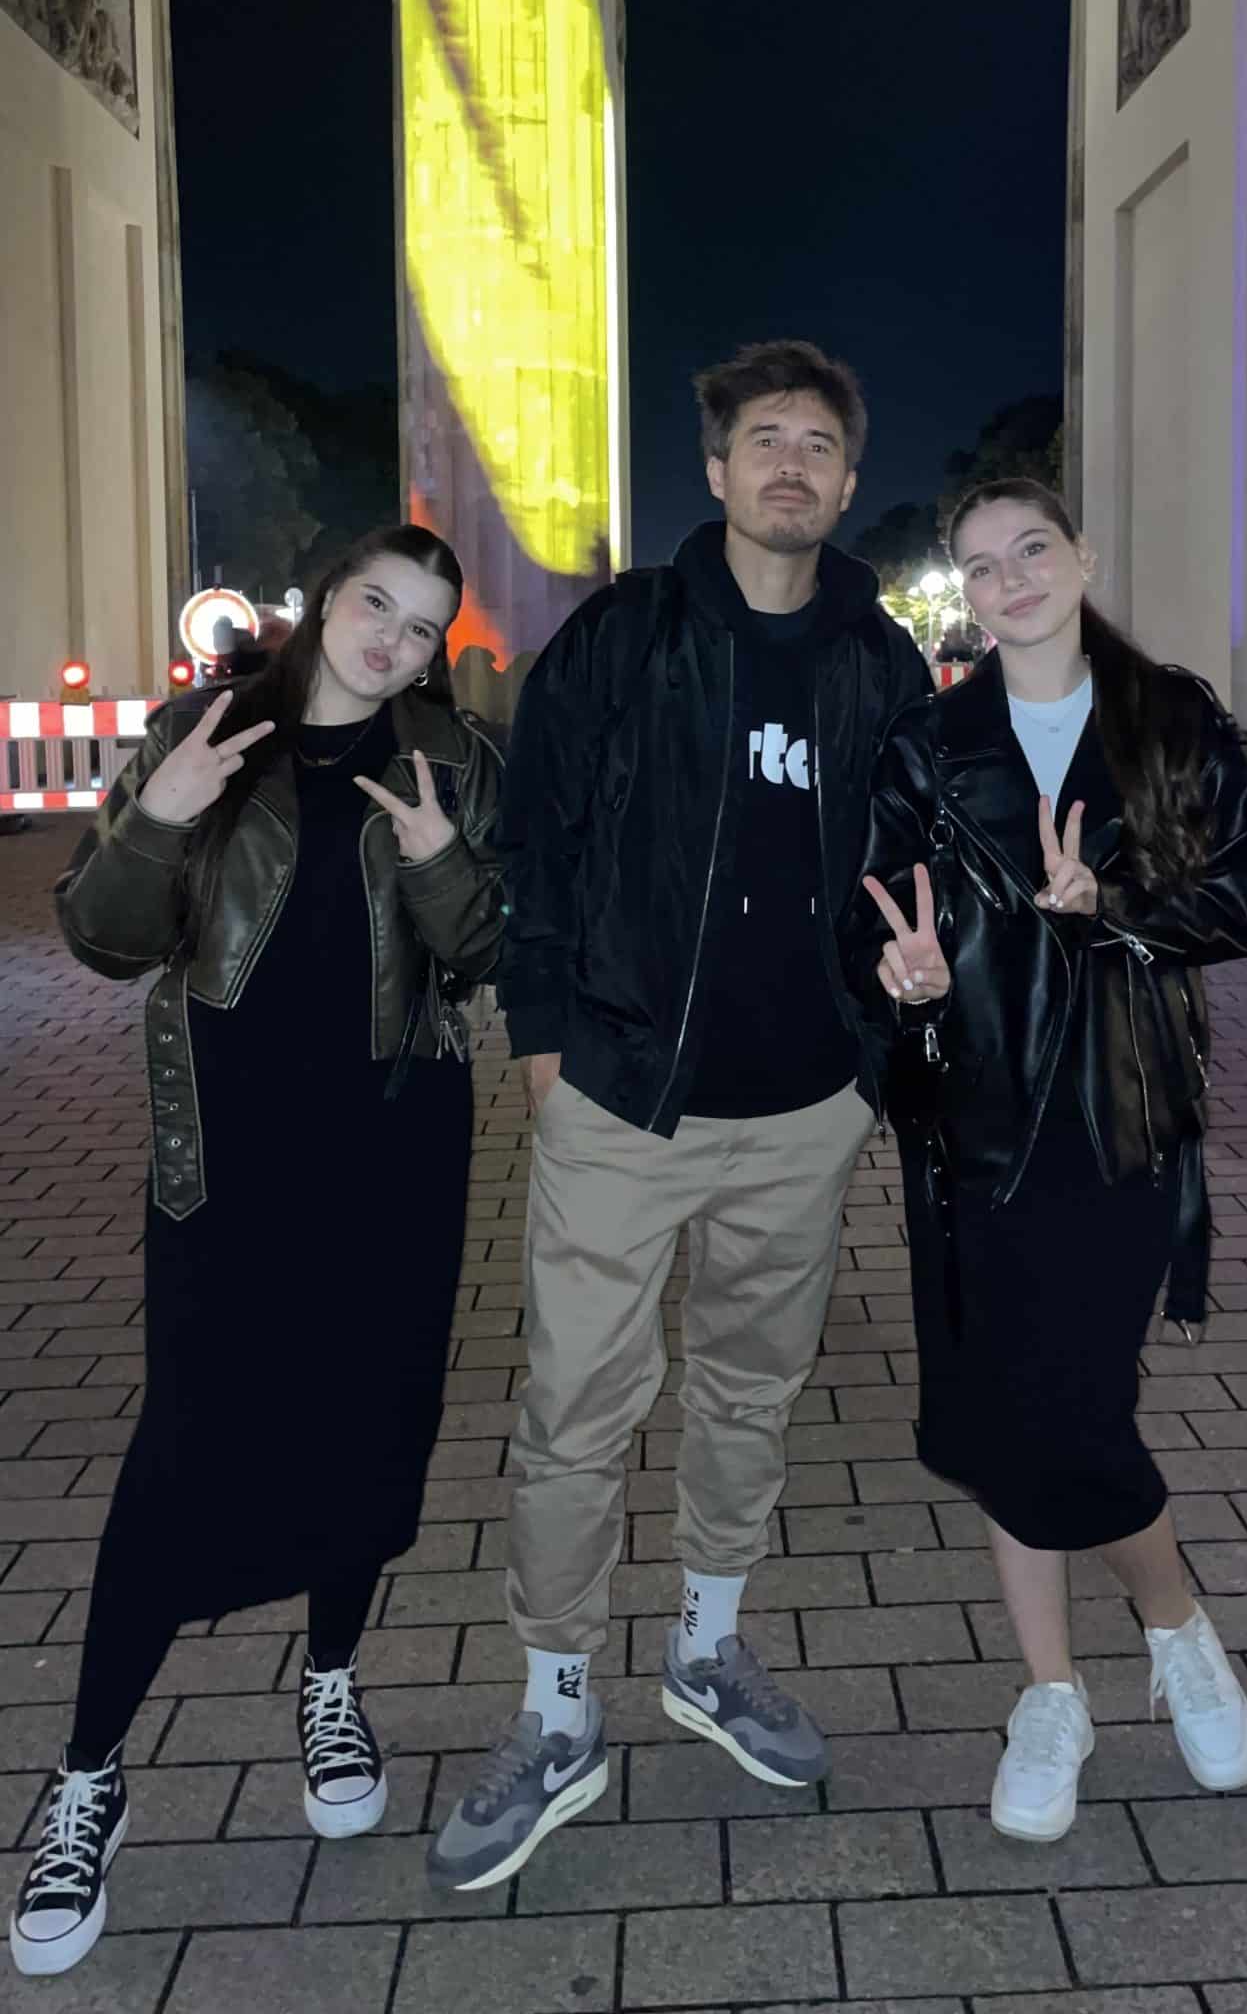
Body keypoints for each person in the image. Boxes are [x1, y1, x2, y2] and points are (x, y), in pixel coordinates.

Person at [428, 340, 931, 1895]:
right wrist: (545, 1044)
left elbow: (916, 864)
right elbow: (539, 843)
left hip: (805, 1108)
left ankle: (709, 1652)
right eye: (763, 439)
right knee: (577, 1406)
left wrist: (888, 1025)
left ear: (847, 480)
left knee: (751, 1390)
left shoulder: (882, 663)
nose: (790, 464)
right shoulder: (626, 635)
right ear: (715, 471)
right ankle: (555, 1709)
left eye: (817, 445)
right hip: (624, 1098)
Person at [10, 524, 504, 1979]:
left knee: (368, 1429)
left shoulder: (451, 762)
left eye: (422, 627)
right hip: (225, 1166)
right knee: (183, 1455)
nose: (392, 640)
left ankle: (332, 1682)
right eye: (376, 604)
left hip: (395, 1152)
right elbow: (103, 940)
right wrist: (157, 817)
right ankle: (89, 1776)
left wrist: (438, 865)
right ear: (325, 599)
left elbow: (488, 956)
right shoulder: (204, 729)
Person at [847, 478, 1247, 1845]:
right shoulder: (931, 741)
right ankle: (1053, 1694)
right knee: (1004, 1409)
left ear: (1082, 555)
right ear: (966, 596)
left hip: (1122, 1107)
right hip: (972, 1122)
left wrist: (1118, 905)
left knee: (1076, 1402)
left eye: (1032, 548)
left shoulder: (1170, 718)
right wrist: (906, 981)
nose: (1012, 579)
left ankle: (1175, 1628)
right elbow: (873, 918)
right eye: (982, 565)